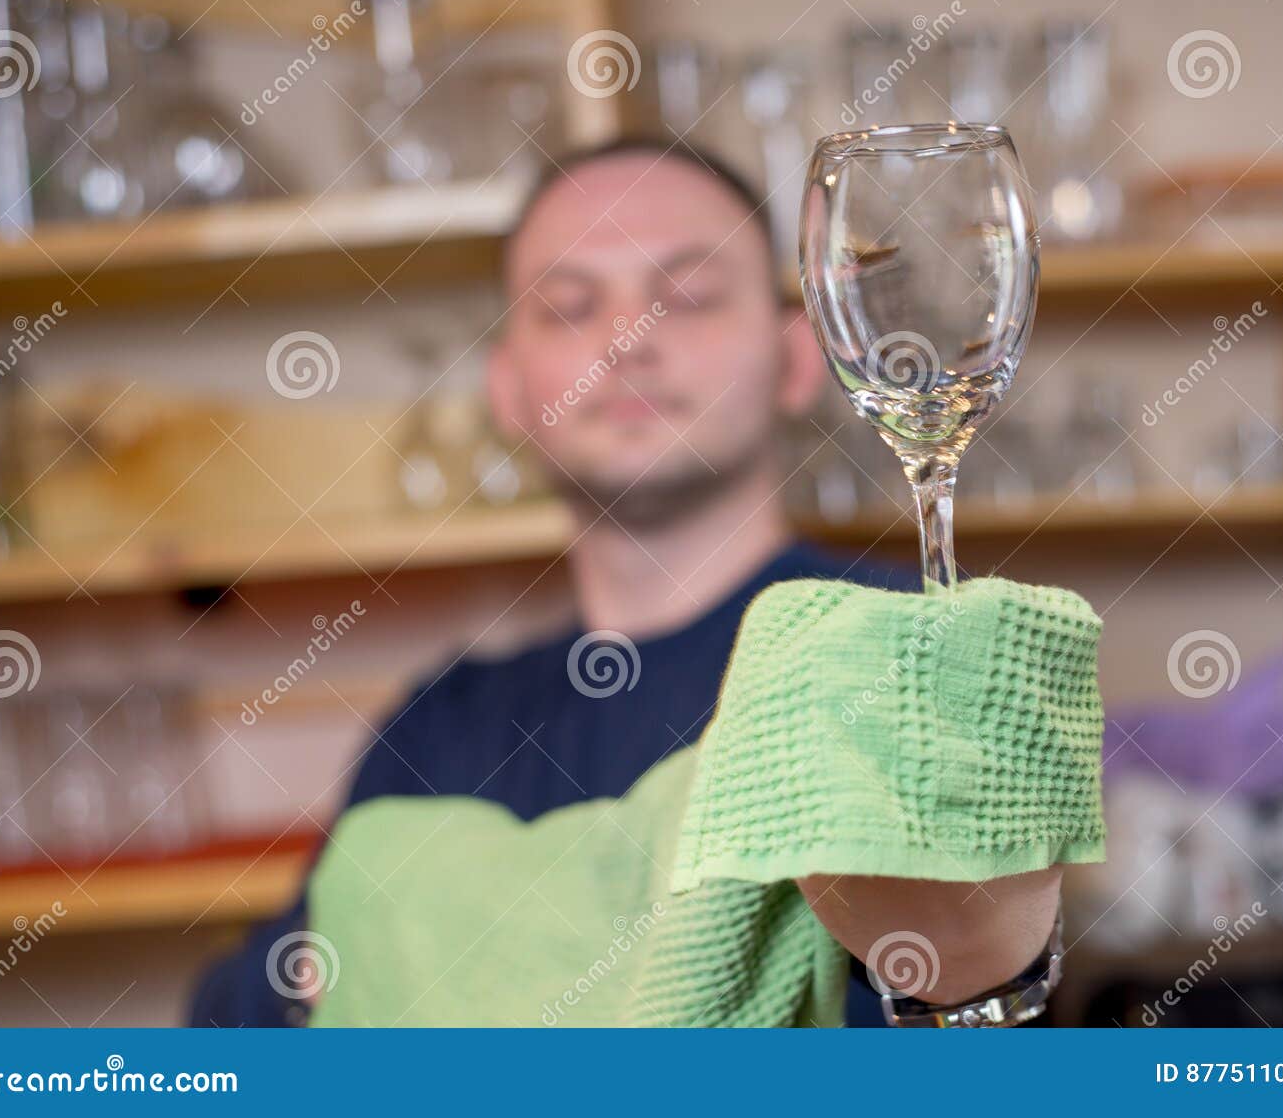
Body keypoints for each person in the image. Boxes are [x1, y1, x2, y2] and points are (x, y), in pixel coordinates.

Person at [190, 139, 1062, 1027]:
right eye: (569, 308)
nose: (627, 340)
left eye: (688, 297)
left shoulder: (914, 655)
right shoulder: (441, 726)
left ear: (802, 358)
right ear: (507, 391)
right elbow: (243, 1020)